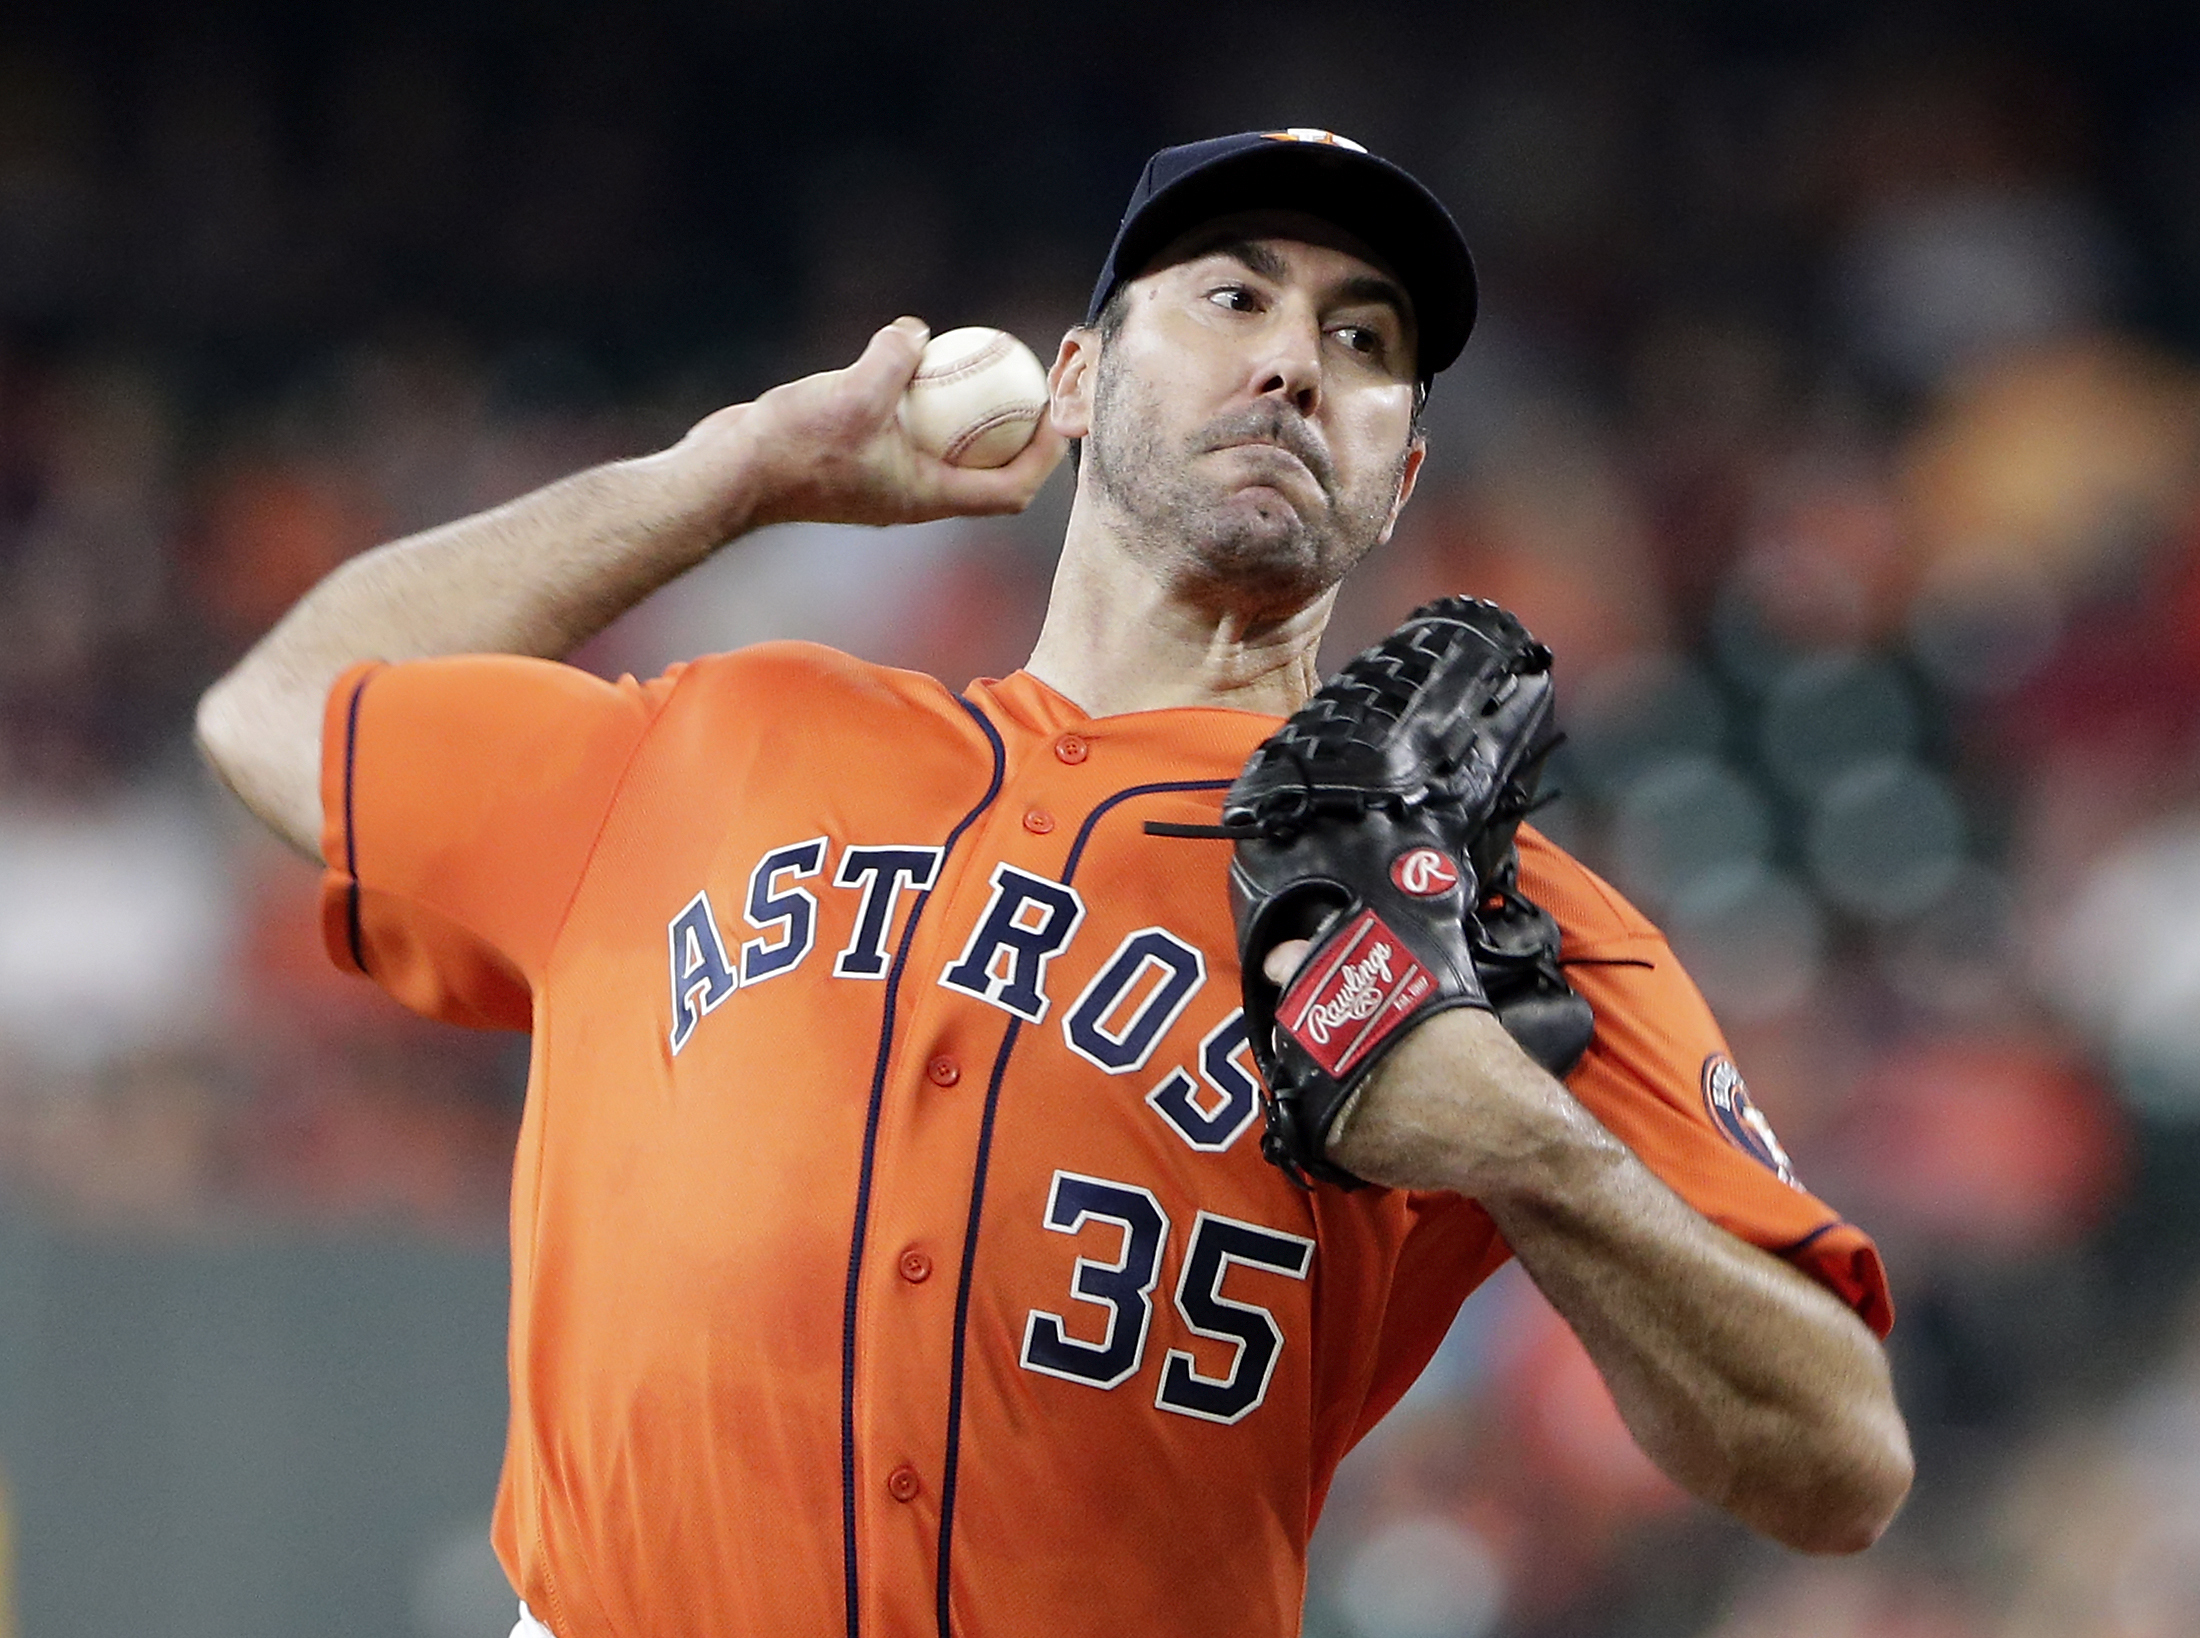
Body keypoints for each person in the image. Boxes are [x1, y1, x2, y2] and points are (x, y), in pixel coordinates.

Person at [196, 130, 1912, 1638]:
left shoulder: (1467, 908)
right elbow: (275, 713)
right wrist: (716, 485)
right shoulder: (728, 735)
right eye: (1233, 298)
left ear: (1401, 475)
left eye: (1362, 339)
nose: (1298, 365)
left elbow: (1837, 1458)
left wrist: (1518, 1146)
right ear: (1074, 378)